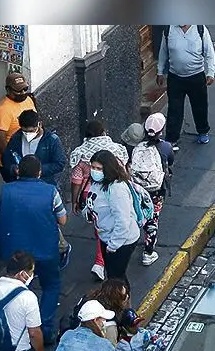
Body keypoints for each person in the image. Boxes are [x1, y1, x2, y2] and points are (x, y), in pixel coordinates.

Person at [0, 155, 67, 344]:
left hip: (15, 253)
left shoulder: (5, 191)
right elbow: (62, 219)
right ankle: (44, 329)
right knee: (51, 286)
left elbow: (1, 214)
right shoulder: (50, 192)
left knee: (16, 289)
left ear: (18, 171)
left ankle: (16, 327)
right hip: (45, 251)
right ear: (39, 172)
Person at [1, 110, 71, 269]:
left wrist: (37, 170)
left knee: (49, 220)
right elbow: (7, 159)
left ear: (39, 124)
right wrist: (14, 169)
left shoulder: (51, 141)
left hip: (44, 184)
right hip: (23, 184)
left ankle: (59, 248)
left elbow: (59, 163)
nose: (27, 133)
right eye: (24, 130)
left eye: (31, 130)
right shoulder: (16, 138)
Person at [69, 119, 130, 281]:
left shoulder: (80, 153)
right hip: (106, 197)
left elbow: (76, 180)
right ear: (104, 133)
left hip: (89, 197)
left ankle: (100, 262)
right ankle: (101, 261)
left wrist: (74, 200)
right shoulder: (116, 150)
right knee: (105, 226)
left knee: (100, 226)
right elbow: (124, 171)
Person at [83, 150, 142, 283]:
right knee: (115, 276)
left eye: (99, 168)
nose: (95, 171)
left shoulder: (116, 189)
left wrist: (113, 245)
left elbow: (123, 220)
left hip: (121, 241)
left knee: (116, 278)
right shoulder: (97, 184)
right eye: (93, 167)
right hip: (106, 236)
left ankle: (122, 302)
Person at [156, 25, 215, 151]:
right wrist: (160, 71)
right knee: (174, 109)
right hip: (175, 77)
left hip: (196, 76)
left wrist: (211, 72)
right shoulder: (168, 30)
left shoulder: (200, 29)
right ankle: (172, 139)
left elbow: (209, 53)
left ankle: (203, 131)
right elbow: (163, 52)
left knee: (199, 106)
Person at [136, 112, 175, 266]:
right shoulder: (166, 147)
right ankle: (148, 252)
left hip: (138, 189)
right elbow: (170, 161)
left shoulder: (136, 147)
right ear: (161, 131)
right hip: (157, 190)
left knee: (140, 213)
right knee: (153, 218)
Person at [0, 72, 38, 182]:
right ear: (8, 90)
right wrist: (11, 161)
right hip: (14, 160)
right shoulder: (3, 110)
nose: (22, 93)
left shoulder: (28, 100)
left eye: (24, 89)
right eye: (18, 91)